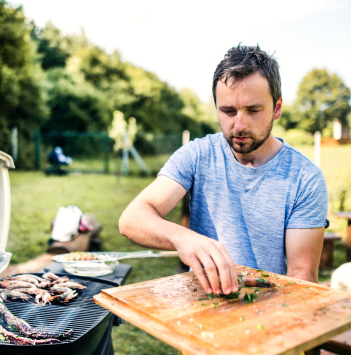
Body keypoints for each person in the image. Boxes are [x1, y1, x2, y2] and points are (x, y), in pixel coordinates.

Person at [119, 44, 328, 296]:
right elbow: (131, 219)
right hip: (200, 306)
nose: (239, 125)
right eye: (228, 111)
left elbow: (301, 277)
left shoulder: (305, 178)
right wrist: (183, 238)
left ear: (277, 108)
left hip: (269, 308)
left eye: (253, 110)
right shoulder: (197, 154)